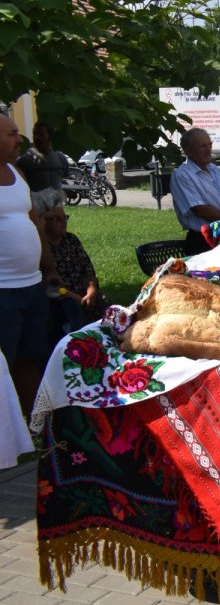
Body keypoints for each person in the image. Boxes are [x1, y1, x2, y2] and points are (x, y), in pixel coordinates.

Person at [0, 112, 63, 424]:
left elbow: (34, 221)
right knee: (4, 363)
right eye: (12, 133)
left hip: (32, 285)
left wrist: (48, 266)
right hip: (3, 291)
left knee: (31, 356)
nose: (19, 139)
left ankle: (33, 425)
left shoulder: (16, 172)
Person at [171, 128, 220, 255]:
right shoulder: (182, 175)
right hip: (203, 240)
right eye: (202, 146)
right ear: (188, 151)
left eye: (209, 144)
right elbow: (200, 209)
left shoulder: (214, 170)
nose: (208, 150)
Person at [39, 195, 108, 332]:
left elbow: (88, 271)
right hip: (60, 298)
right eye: (56, 219)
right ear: (43, 222)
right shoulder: (41, 248)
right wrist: (74, 297)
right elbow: (47, 285)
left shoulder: (71, 240)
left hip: (83, 294)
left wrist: (91, 292)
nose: (63, 222)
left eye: (64, 217)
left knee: (104, 303)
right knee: (71, 308)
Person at [16, 121, 68, 192]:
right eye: (34, 134)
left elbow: (63, 179)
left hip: (57, 202)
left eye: (41, 135)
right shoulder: (24, 161)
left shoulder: (61, 159)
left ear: (50, 136)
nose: (36, 137)